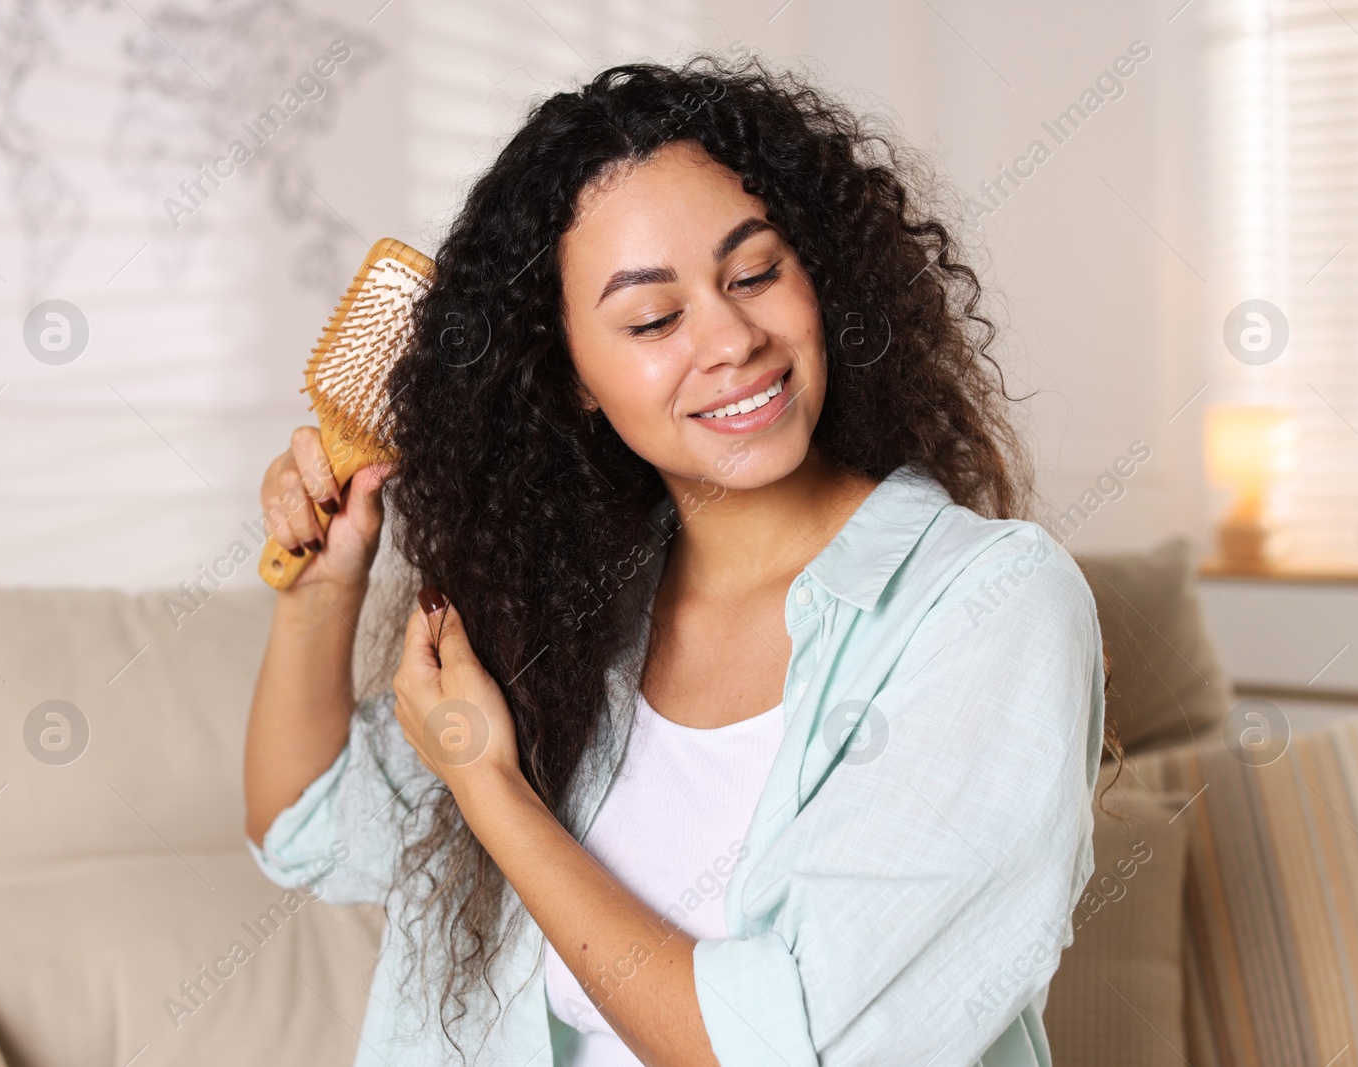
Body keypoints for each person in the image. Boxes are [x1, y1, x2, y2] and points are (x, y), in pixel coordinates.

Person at [244, 52, 1111, 1067]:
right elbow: (310, 829)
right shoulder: (568, 612)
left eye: (754, 273)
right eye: (653, 318)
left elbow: (793, 1045)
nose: (732, 336)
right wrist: (321, 591)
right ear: (569, 376)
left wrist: (493, 789)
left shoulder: (991, 606)